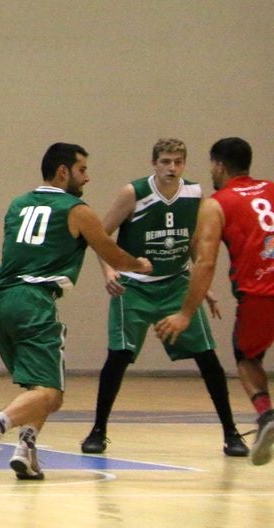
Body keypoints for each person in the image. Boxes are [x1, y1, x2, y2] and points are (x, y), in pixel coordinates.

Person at [0, 143, 152, 480]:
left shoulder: (17, 205)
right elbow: (111, 252)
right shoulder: (76, 209)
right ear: (63, 171)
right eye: (82, 170)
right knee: (51, 394)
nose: (88, 177)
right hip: (32, 301)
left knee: (41, 387)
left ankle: (27, 450)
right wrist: (139, 264)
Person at [82, 139, 247, 457]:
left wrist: (204, 285)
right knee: (118, 357)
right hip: (135, 286)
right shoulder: (134, 193)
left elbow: (195, 243)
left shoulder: (195, 194)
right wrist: (109, 272)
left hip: (176, 284)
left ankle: (231, 433)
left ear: (185, 164)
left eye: (178, 162)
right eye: (166, 161)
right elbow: (100, 236)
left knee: (208, 358)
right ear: (154, 163)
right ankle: (98, 430)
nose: (172, 168)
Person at [155, 137, 274, 466]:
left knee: (247, 359)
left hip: (261, 294)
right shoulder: (272, 189)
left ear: (219, 165)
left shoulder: (217, 203)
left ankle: (266, 417)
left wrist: (185, 313)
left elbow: (205, 263)